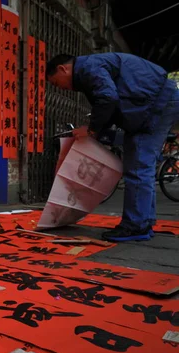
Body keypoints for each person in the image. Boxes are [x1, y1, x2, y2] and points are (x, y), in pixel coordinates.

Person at [46, 52, 179, 242]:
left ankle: (135, 226)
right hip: (153, 103)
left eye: (55, 82)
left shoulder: (87, 68)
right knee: (141, 164)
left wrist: (92, 130)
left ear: (63, 68)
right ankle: (144, 221)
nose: (59, 87)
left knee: (138, 165)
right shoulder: (90, 68)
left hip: (156, 105)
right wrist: (96, 131)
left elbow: (108, 98)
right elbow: (109, 103)